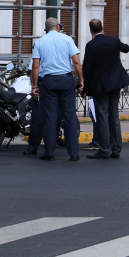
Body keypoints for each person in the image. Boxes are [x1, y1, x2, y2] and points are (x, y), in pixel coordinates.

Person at [30, 17, 84, 161]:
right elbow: (76, 61)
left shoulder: (40, 42)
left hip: (49, 81)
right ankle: (73, 153)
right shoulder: (67, 40)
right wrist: (81, 80)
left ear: (46, 29)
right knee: (69, 116)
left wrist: (34, 86)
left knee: (50, 116)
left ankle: (49, 152)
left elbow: (35, 66)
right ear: (58, 27)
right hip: (66, 80)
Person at [82, 18, 129, 160]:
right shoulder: (114, 40)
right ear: (102, 28)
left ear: (91, 30)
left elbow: (88, 69)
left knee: (102, 117)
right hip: (115, 83)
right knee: (114, 116)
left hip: (100, 86)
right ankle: (116, 148)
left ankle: (104, 149)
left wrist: (85, 87)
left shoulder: (91, 45)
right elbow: (126, 48)